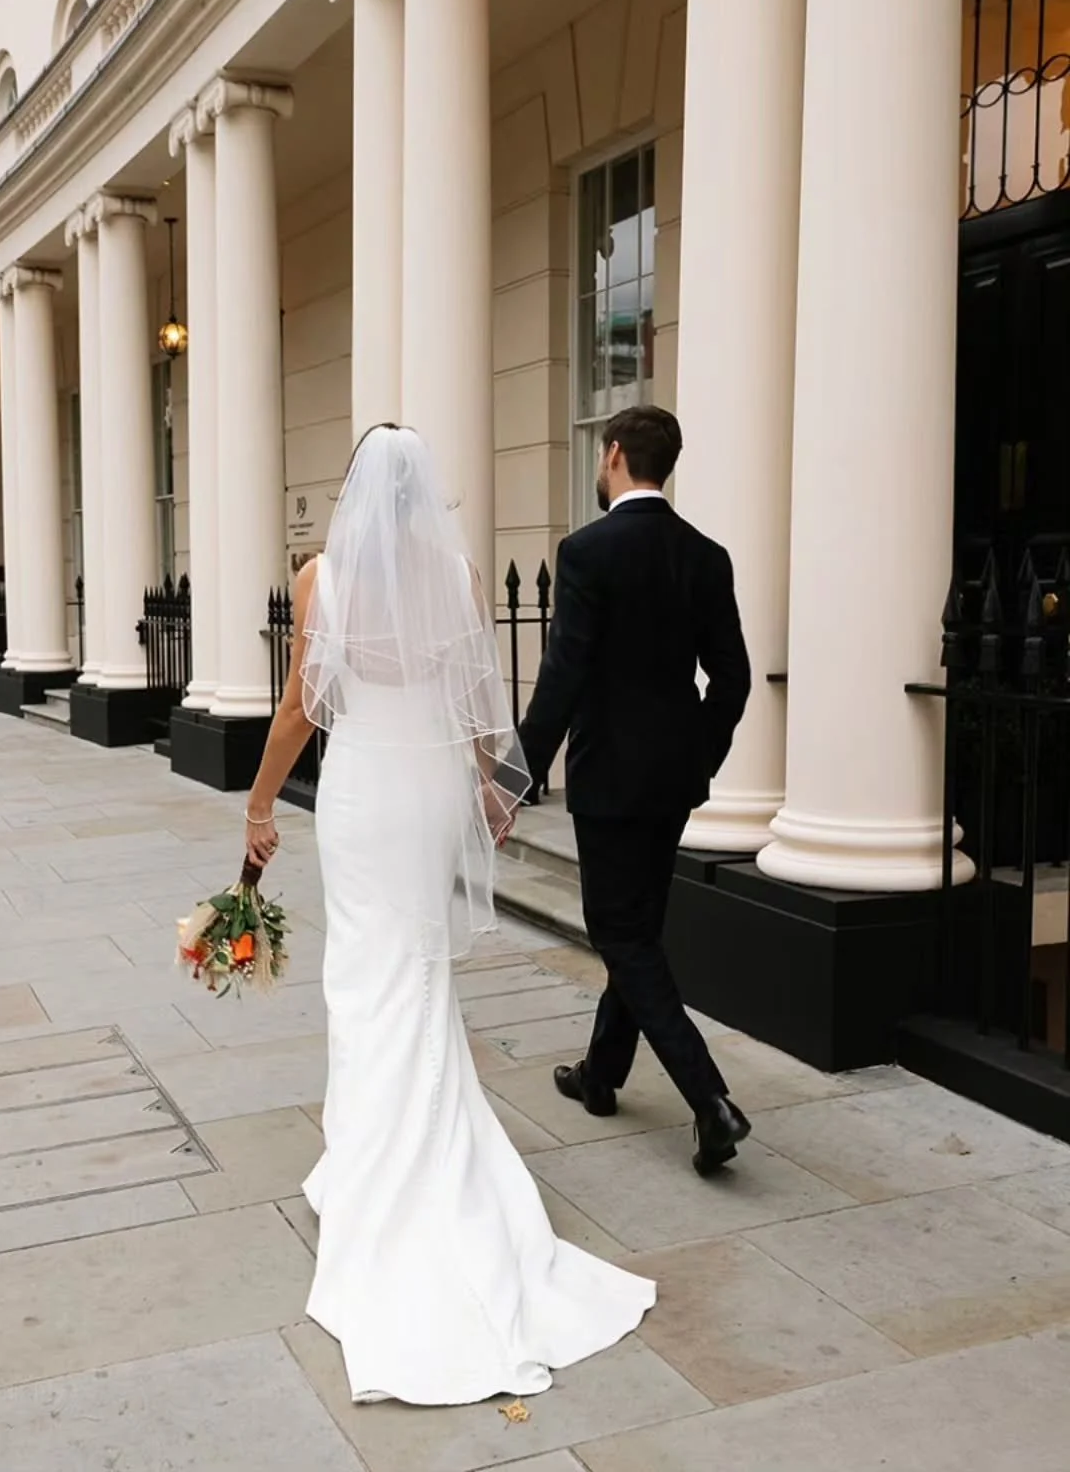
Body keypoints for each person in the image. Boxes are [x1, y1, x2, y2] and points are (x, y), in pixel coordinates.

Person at [242, 424, 654, 1407]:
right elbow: (484, 711)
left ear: (352, 496)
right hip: (428, 799)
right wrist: (500, 793)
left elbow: (301, 708)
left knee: (365, 976)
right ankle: (412, 1162)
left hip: (361, 798)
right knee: (417, 973)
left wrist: (258, 805)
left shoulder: (321, 577)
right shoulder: (459, 577)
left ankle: (371, 1173)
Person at [518, 405, 753, 1177]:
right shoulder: (706, 555)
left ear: (614, 454)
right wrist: (701, 754)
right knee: (639, 928)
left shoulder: (587, 552)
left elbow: (563, 677)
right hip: (672, 780)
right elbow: (734, 677)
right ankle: (601, 1076)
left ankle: (710, 1101)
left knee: (620, 934)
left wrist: (514, 777)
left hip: (611, 779)